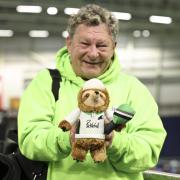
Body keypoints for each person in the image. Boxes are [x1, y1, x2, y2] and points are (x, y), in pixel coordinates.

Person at [18, 4, 167, 180]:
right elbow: (30, 140)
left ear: (114, 47)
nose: (93, 53)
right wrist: (67, 139)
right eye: (85, 44)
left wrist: (114, 142)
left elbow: (149, 150)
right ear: (69, 43)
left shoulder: (134, 89)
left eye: (102, 45)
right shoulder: (46, 82)